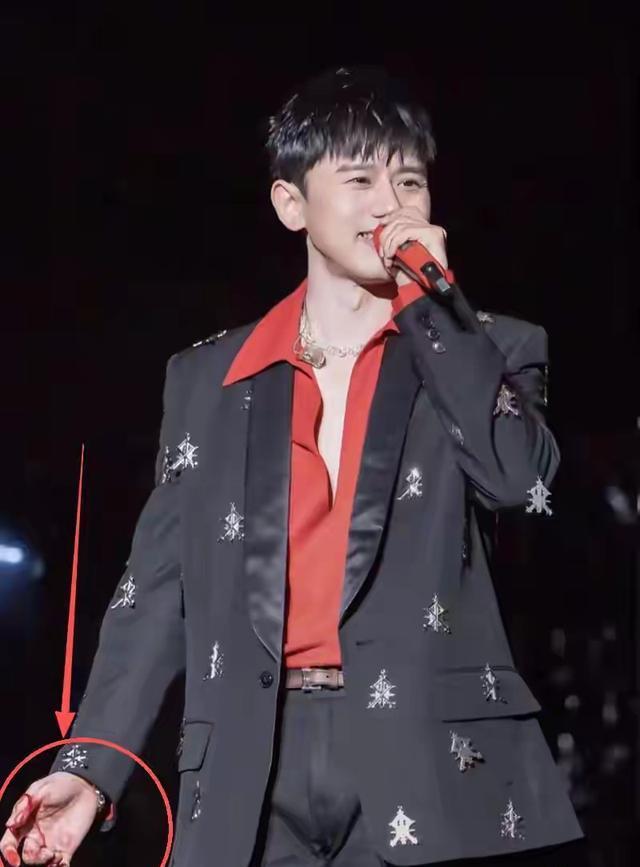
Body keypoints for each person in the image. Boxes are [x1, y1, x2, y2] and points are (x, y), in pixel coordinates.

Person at [1, 66, 584, 867]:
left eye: (409, 181)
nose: (390, 204)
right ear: (291, 203)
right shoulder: (210, 380)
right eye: (360, 179)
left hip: (429, 766)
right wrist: (89, 767)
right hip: (250, 770)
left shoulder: (490, 349)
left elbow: (521, 483)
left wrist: (433, 305)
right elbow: (156, 590)